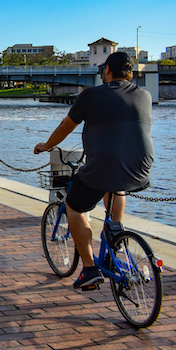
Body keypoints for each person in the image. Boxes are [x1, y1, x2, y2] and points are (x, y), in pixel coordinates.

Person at [34, 51, 153, 290]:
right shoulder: (145, 95)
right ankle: (114, 237)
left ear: (107, 70)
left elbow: (66, 126)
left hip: (103, 165)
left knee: (75, 207)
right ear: (130, 72)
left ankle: (89, 269)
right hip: (141, 166)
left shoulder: (91, 95)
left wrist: (47, 145)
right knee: (115, 187)